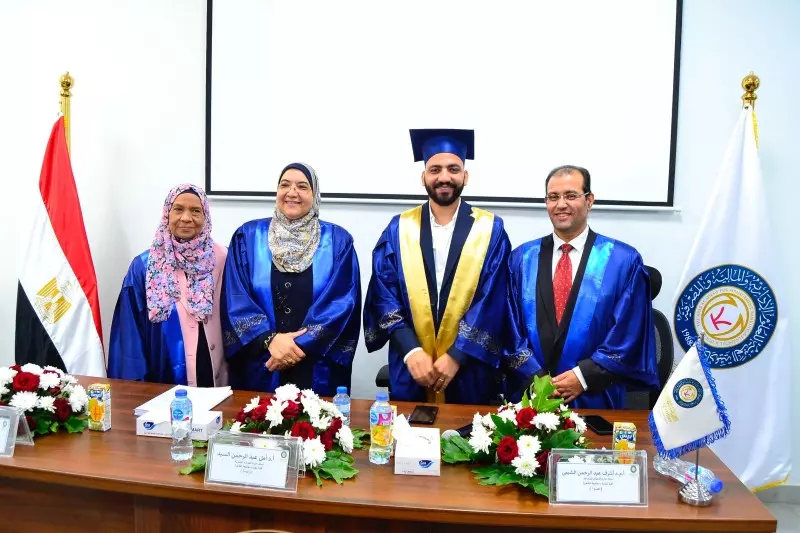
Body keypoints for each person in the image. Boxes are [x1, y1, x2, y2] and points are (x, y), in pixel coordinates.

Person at [364, 129, 510, 404]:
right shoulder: (399, 228)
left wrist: (457, 355)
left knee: (468, 430)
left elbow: (493, 299)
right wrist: (410, 350)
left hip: (468, 368)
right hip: (413, 367)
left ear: (465, 176)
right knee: (410, 429)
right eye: (435, 170)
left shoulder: (491, 229)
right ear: (423, 177)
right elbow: (383, 294)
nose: (444, 177)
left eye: (453, 169)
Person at [505, 165, 659, 408]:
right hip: (531, 398)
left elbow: (629, 332)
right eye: (553, 197)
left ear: (589, 200)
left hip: (595, 396)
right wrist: (536, 378)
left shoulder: (622, 261)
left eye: (571, 195)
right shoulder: (521, 259)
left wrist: (584, 377)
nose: (561, 204)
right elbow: (508, 326)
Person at [221, 163, 361, 395]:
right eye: (284, 185)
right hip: (263, 362)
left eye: (302, 186)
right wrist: (270, 340)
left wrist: (296, 347)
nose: (292, 192)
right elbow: (235, 297)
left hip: (316, 364)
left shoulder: (337, 241)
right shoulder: (247, 236)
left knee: (317, 417)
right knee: (258, 416)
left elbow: (342, 301)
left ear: (315, 195)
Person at [108, 184, 228, 386]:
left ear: (205, 216)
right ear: (167, 214)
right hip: (165, 375)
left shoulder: (224, 258)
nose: (186, 218)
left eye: (196, 211)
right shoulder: (145, 266)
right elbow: (130, 335)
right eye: (178, 209)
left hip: (218, 371)